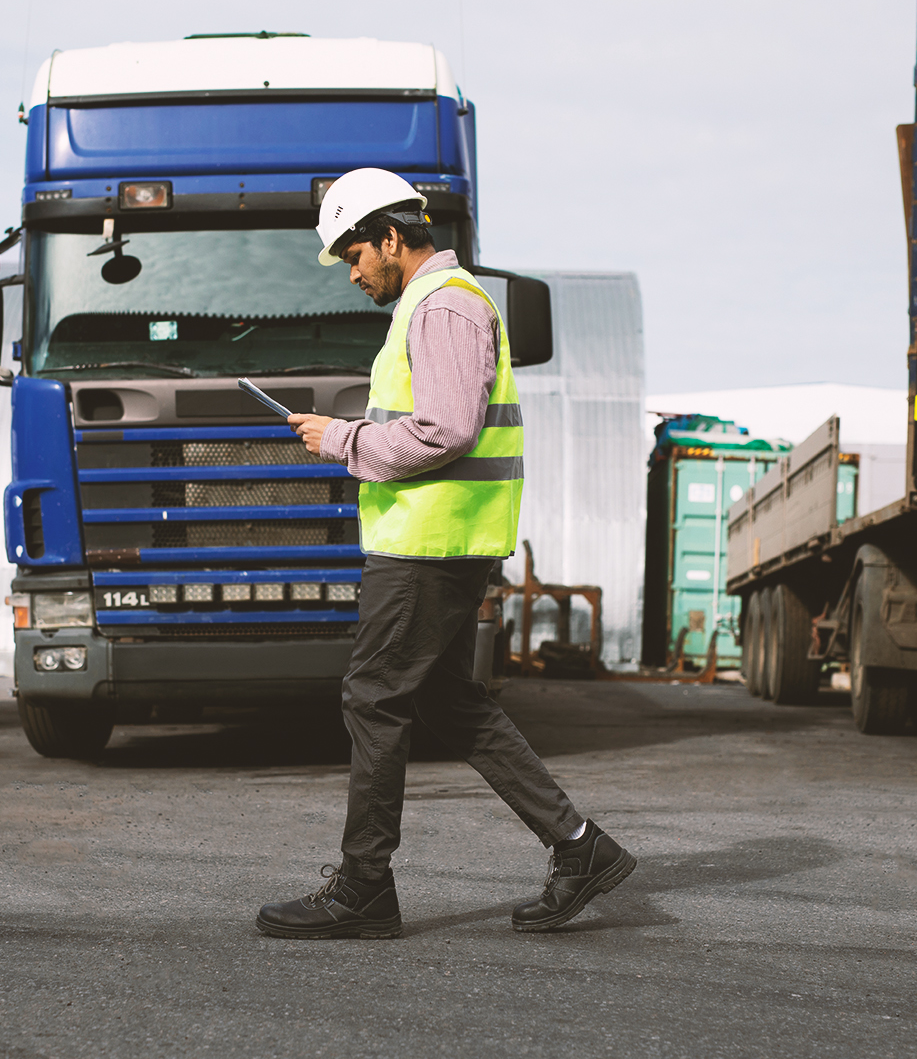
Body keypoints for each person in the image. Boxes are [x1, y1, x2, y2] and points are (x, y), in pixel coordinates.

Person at [254, 168, 636, 939]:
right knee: (447, 702)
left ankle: (364, 887)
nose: (351, 271)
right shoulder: (437, 306)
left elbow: (447, 429)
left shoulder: (445, 306)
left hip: (431, 546)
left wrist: (343, 440)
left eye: (354, 253)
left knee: (373, 698)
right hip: (439, 539)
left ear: (392, 237)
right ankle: (578, 846)